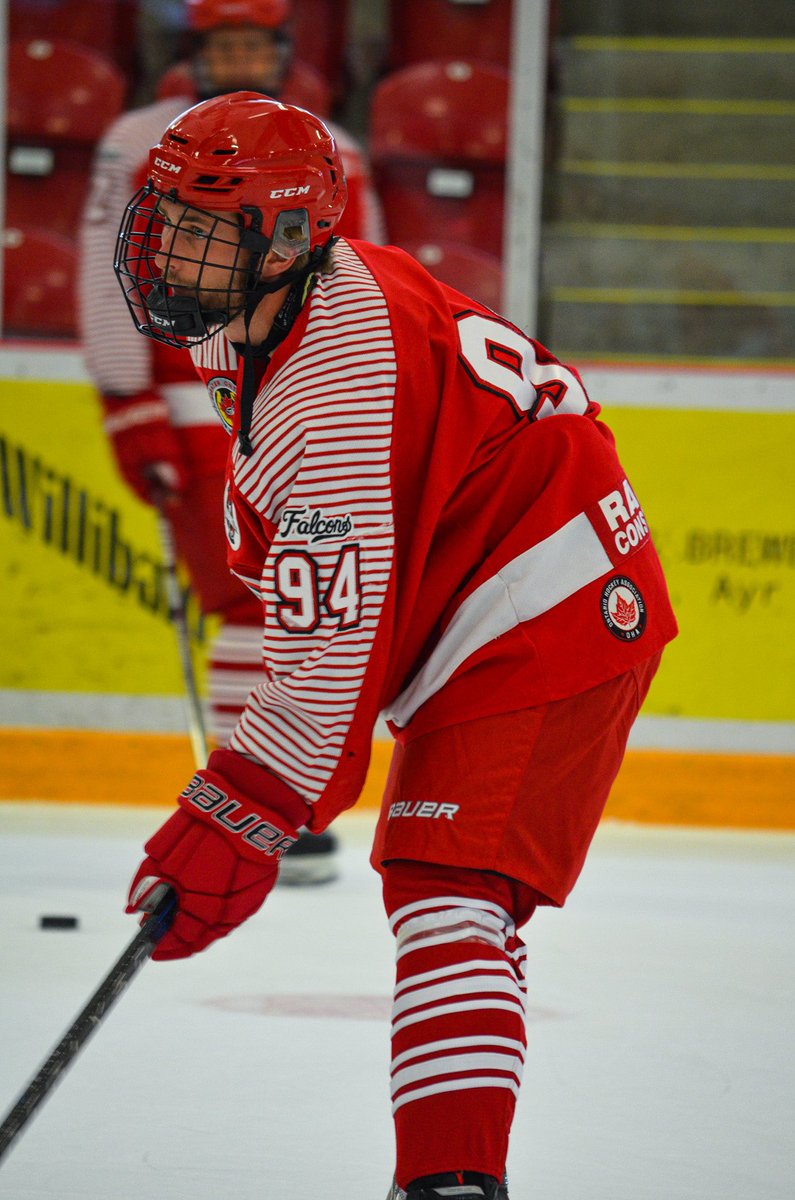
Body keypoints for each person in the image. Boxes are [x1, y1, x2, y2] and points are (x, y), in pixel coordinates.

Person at [113, 93, 678, 1200]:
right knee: (440, 893)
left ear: (284, 238)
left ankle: (452, 1182)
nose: (168, 250)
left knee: (449, 891)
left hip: (548, 601)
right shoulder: (278, 306)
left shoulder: (330, 383)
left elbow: (324, 691)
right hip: (502, 577)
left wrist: (231, 814)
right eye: (166, 216)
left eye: (201, 227)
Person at [80, 0, 385, 883]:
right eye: (224, 43)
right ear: (196, 52)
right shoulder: (142, 138)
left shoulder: (332, 147)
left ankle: (272, 796)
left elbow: (369, 277)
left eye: (254, 40)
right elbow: (110, 275)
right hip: (191, 409)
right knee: (248, 604)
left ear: (282, 49)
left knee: (307, 608)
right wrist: (127, 403)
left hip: (302, 407)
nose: (241, 55)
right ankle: (247, 805)